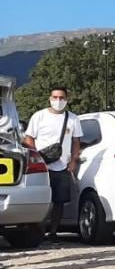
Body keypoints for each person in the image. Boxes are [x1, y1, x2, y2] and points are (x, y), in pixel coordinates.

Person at [22, 86, 83, 242]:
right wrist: (35, 157)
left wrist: (74, 161)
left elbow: (76, 141)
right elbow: (29, 138)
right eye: (55, 97)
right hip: (41, 167)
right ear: (49, 98)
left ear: (67, 99)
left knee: (59, 201)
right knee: (40, 199)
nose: (58, 101)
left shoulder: (73, 119)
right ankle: (37, 232)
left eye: (61, 98)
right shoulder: (39, 116)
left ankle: (54, 232)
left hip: (62, 166)